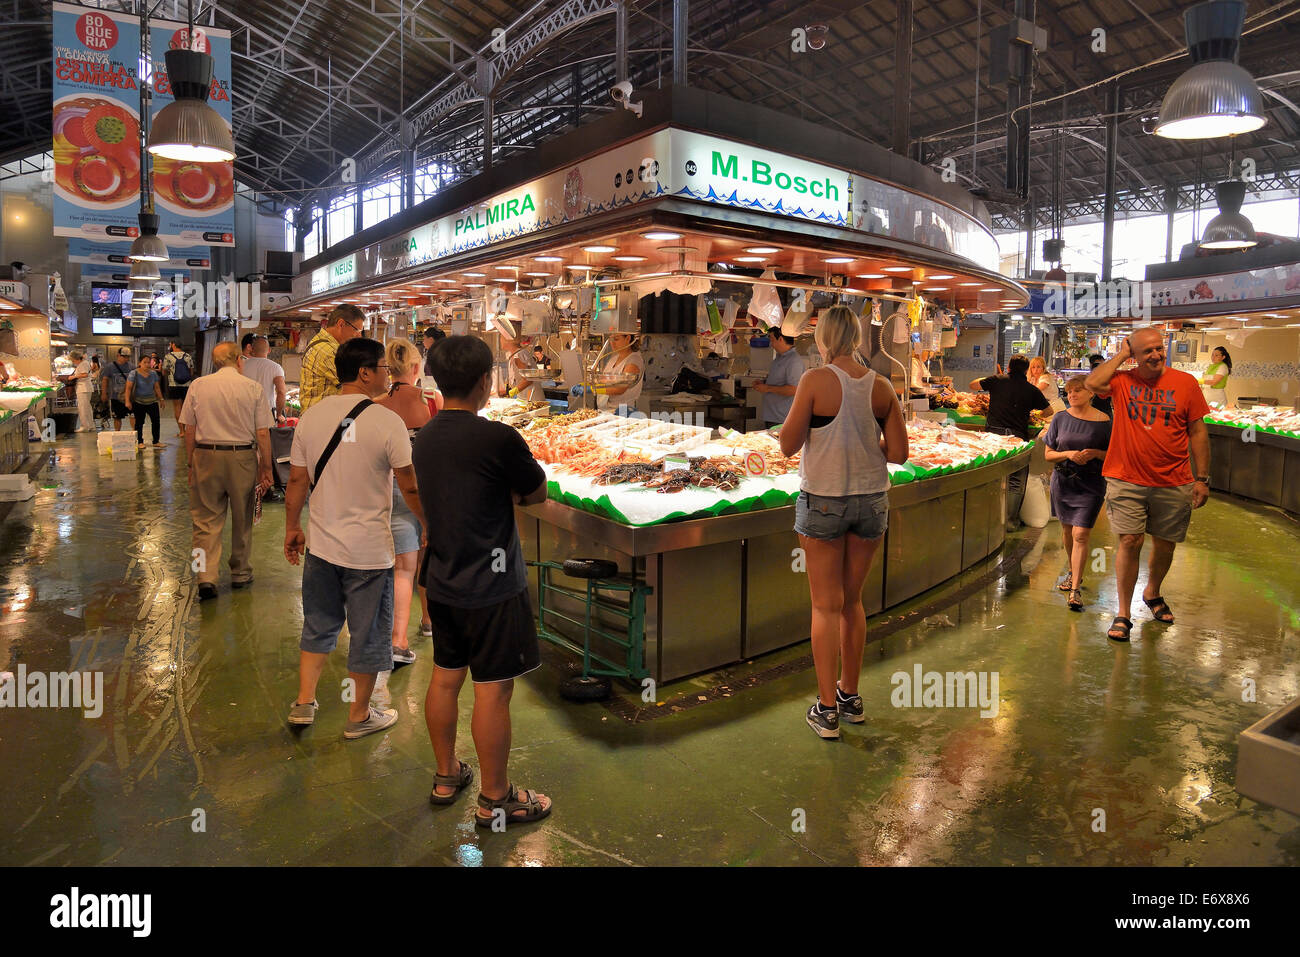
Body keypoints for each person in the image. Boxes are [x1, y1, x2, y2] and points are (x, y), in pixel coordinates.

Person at [413, 335, 552, 825]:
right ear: (484, 382)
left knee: (447, 678)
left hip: (443, 578)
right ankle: (496, 797)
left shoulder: (425, 437)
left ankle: (447, 774)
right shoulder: (498, 437)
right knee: (493, 688)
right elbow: (536, 493)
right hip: (492, 585)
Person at [285, 337, 425, 739]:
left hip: (322, 546)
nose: (388, 374)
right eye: (383, 367)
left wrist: (293, 527)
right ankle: (359, 716)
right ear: (365, 372)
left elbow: (297, 480)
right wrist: (426, 523)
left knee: (319, 623)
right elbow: (409, 485)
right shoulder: (386, 421)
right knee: (368, 633)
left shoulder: (311, 417)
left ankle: (304, 702)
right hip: (369, 553)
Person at [779, 305, 909, 740]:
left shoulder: (814, 380)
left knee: (824, 605)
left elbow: (787, 444)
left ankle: (827, 709)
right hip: (872, 502)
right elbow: (898, 454)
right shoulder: (882, 386)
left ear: (824, 339)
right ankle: (850, 697)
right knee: (852, 602)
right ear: (856, 336)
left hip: (824, 502)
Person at [1085, 327, 1211, 642]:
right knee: (1130, 541)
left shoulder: (1186, 383)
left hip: (1175, 479)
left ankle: (1152, 592)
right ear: (1135, 355)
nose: (1155, 355)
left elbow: (1197, 432)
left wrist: (1203, 478)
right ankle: (1123, 613)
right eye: (1146, 351)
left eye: (1158, 349)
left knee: (1165, 542)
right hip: (1126, 476)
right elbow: (1092, 383)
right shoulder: (1123, 381)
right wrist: (1123, 353)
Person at [179, 342, 274, 600]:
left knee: (203, 522)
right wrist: (266, 468)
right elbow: (263, 432)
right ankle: (240, 572)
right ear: (239, 360)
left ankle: (203, 576)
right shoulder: (253, 388)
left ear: (215, 361)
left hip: (205, 455)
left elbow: (189, 429)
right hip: (242, 457)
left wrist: (191, 463)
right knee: (243, 518)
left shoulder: (198, 386)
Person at [375, 338, 432, 667]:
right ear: (415, 368)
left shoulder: (377, 405)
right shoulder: (433, 400)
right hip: (430, 489)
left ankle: (398, 640)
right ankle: (428, 621)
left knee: (403, 568)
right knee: (429, 561)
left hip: (394, 489)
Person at [1042, 376, 1111, 611]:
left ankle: (1075, 590)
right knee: (1068, 531)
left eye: (1078, 391)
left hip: (1091, 483)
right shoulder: (1060, 419)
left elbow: (1112, 454)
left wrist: (1095, 454)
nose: (1072, 395)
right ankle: (1073, 573)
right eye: (1069, 391)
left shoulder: (1104, 422)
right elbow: (1048, 454)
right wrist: (1069, 454)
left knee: (1081, 533)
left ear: (1091, 393)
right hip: (1063, 481)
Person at [970, 355, 1050, 524]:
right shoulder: (1031, 389)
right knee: (1015, 479)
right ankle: (1010, 521)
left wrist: (991, 378)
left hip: (993, 434)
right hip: (1017, 436)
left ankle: (987, 518)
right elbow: (1048, 411)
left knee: (990, 474)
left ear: (1008, 367)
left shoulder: (997, 380)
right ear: (1026, 370)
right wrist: (1035, 414)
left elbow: (973, 384)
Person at [299, 305, 363, 412]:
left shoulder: (323, 343)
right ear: (341, 324)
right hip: (320, 423)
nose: (359, 336)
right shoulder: (328, 350)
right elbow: (356, 386)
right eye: (357, 330)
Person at [754, 329, 805, 426]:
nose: (771, 344)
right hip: (772, 415)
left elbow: (793, 390)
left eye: (772, 340)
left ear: (780, 339)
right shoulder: (778, 358)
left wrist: (767, 388)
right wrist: (763, 383)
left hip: (782, 418)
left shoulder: (794, 360)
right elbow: (778, 382)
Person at [241, 335, 287, 423]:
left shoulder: (241, 365)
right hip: (265, 413)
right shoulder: (275, 367)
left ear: (252, 349)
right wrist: (279, 414)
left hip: (245, 412)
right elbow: (281, 392)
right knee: (264, 436)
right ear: (269, 350)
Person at [595, 332, 643, 412]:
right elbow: (602, 379)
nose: (612, 343)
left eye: (616, 339)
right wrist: (586, 384)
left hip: (623, 411)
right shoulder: (614, 358)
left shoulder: (634, 360)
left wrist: (594, 389)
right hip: (605, 410)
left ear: (627, 338)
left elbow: (619, 388)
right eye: (611, 339)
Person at [125, 354, 164, 448]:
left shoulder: (153, 373)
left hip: (152, 401)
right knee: (139, 422)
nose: (147, 364)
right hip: (138, 402)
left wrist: (161, 399)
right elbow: (128, 388)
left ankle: (156, 441)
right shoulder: (134, 373)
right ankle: (139, 442)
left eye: (148, 362)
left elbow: (157, 387)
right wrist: (127, 401)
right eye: (144, 362)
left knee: (156, 421)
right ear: (139, 363)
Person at [162, 340, 195, 436]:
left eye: (170, 344)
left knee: (177, 407)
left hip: (174, 385)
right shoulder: (188, 356)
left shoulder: (168, 356)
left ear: (173, 344)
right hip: (187, 385)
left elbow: (164, 372)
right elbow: (191, 372)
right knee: (186, 407)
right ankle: (188, 430)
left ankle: (182, 431)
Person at [102, 348, 133, 431]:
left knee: (133, 415)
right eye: (124, 357)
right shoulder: (110, 367)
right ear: (118, 355)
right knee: (117, 417)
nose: (126, 359)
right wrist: (104, 393)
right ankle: (117, 433)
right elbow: (105, 380)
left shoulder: (131, 366)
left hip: (130, 396)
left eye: (128, 357)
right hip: (116, 397)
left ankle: (135, 434)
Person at [69, 350, 94, 433]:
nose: (73, 362)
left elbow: (85, 374)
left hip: (83, 388)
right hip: (85, 388)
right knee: (87, 407)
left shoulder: (83, 363)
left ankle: (84, 426)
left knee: (83, 408)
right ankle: (90, 425)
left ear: (76, 358)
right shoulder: (84, 363)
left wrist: (73, 377)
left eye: (73, 360)